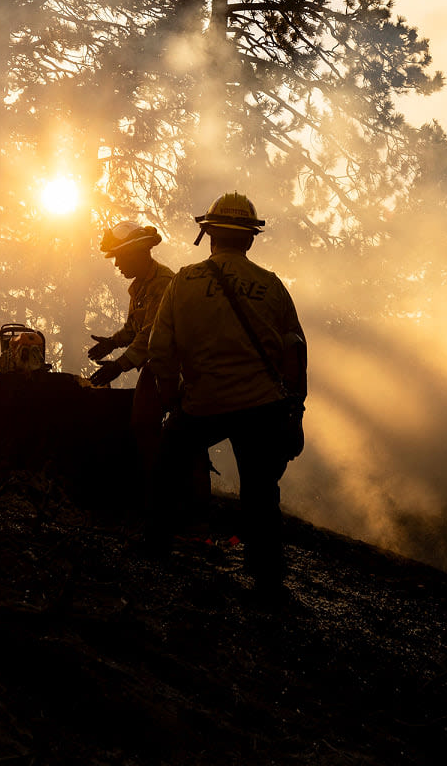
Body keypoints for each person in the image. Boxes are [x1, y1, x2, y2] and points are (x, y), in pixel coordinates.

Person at [145, 192, 307, 599]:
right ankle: (267, 579)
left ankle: (154, 553)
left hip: (201, 404)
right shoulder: (271, 286)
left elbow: (160, 350)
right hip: (261, 407)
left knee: (165, 473)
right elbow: (295, 351)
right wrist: (295, 411)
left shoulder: (183, 281)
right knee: (260, 493)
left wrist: (170, 401)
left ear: (209, 234)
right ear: (250, 239)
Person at [87, 220, 175, 387]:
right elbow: (134, 327)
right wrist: (112, 342)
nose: (117, 264)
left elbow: (151, 334)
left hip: (178, 374)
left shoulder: (162, 284)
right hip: (160, 371)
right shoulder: (140, 286)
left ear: (135, 253)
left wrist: (120, 365)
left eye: (120, 257)